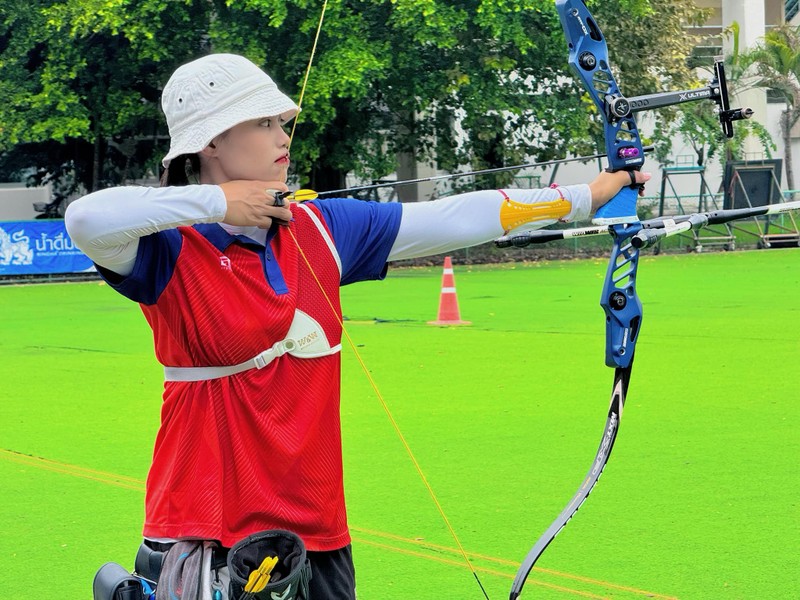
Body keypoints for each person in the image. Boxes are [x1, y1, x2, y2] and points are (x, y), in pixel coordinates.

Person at [65, 53, 650, 599]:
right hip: (206, 529)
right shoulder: (168, 249)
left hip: (318, 531)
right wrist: (219, 204)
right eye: (264, 123)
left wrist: (591, 193)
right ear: (213, 140)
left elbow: (458, 215)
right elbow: (86, 217)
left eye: (281, 122)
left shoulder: (321, 227)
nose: (283, 136)